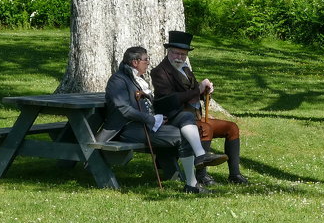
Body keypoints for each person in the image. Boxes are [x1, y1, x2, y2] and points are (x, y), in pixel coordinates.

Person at [101, 46, 225, 194]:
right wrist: (151, 119)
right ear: (135, 62)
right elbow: (124, 109)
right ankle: (192, 185)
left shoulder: (137, 78)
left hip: (146, 126)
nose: (148, 63)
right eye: (146, 60)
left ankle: (199, 160)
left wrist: (159, 116)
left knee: (186, 117)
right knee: (182, 136)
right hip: (127, 129)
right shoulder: (118, 80)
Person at [151, 30, 250, 185]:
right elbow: (171, 100)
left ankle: (235, 175)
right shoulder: (159, 72)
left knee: (232, 128)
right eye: (176, 54)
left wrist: (204, 92)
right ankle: (201, 175)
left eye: (183, 55)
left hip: (195, 116)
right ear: (168, 52)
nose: (179, 58)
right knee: (205, 128)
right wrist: (198, 89)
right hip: (175, 118)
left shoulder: (185, 69)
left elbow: (191, 94)